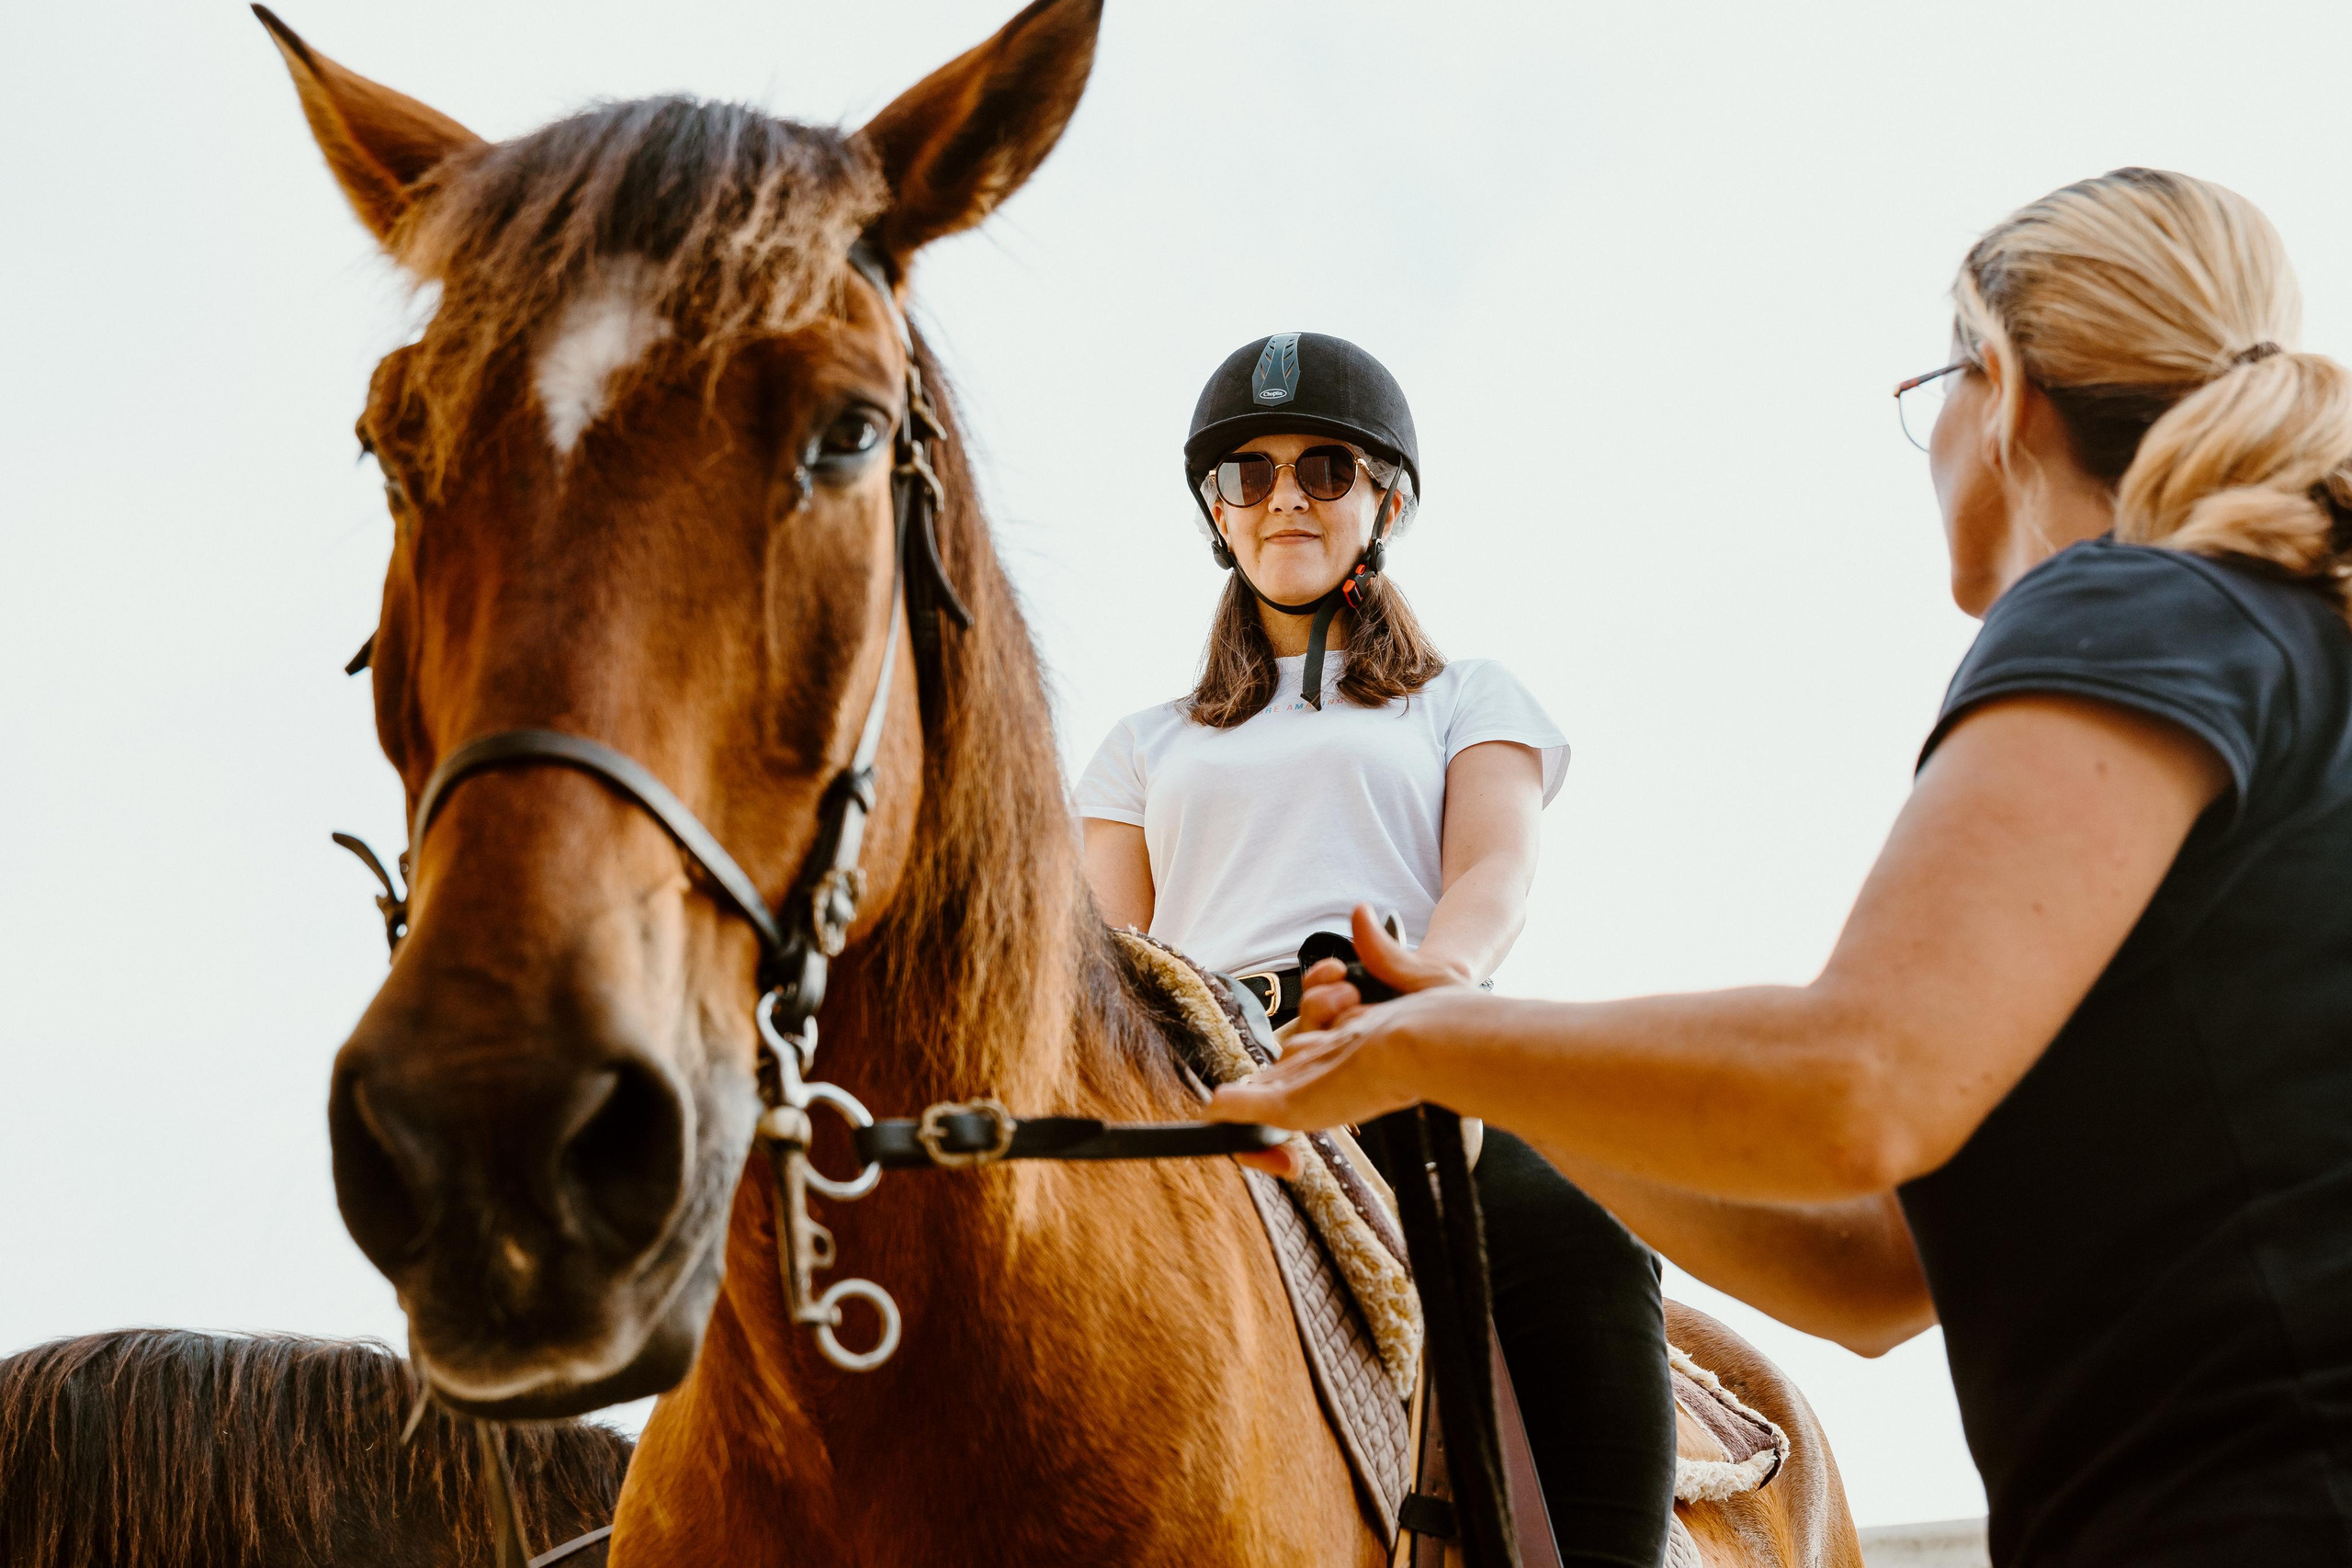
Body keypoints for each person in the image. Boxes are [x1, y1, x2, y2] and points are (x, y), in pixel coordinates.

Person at [1210, 169, 2352, 1566]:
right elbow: (1867, 1263)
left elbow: (1857, 1084)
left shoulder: (2128, 605)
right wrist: (1461, 1070)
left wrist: (1440, 1030)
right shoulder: (2274, 647)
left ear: (2001, 392)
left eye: (1934, 385)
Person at [1077, 332, 1676, 1567]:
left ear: (1385, 499)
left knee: (1580, 1226)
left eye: (1325, 467)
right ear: (1218, 515)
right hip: (1208, 1060)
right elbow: (1106, 952)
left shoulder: (1467, 696)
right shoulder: (1143, 740)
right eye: (1248, 475)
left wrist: (1431, 991)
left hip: (1412, 1029)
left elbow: (1494, 872)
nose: (1284, 495)